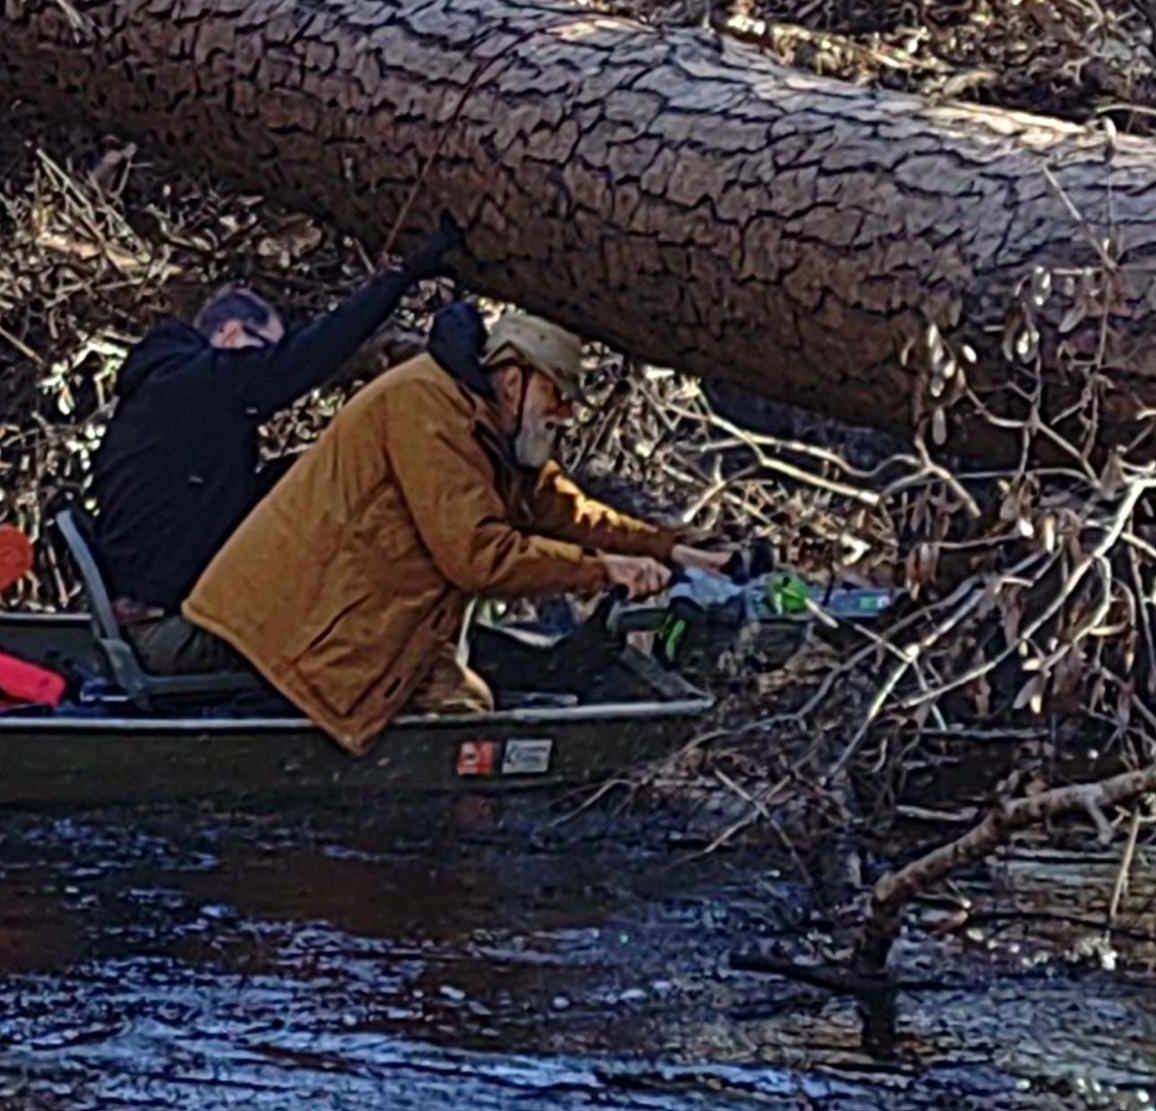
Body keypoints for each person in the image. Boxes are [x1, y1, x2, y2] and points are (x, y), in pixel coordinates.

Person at [169, 302, 693, 753]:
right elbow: (478, 555)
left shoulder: (487, 420)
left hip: (359, 617)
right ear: (514, 381)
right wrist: (601, 570)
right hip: (303, 627)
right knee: (463, 725)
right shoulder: (429, 409)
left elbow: (563, 510)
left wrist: (673, 548)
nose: (565, 413)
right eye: (557, 397)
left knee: (474, 699)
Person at [72, 215, 463, 615]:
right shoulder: (204, 384)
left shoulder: (158, 392)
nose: (262, 363)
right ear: (229, 334)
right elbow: (311, 354)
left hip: (150, 600)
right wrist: (404, 276)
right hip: (166, 619)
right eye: (260, 349)